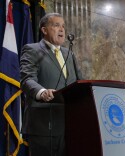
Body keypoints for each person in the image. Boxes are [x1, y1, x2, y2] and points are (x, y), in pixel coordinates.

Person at [20, 13, 82, 156]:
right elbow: (26, 79)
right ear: (44, 30)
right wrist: (41, 92)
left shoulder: (69, 54)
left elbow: (80, 83)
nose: (61, 29)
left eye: (63, 26)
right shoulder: (32, 50)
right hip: (43, 125)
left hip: (70, 124)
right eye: (56, 25)